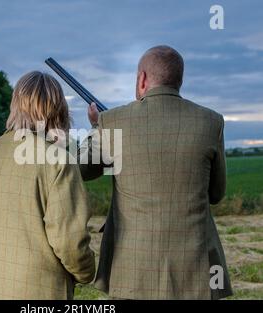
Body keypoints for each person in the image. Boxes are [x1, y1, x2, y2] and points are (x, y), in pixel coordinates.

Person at [80, 45, 232, 299]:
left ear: (142, 79)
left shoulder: (111, 122)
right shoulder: (211, 121)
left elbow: (82, 170)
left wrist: (96, 127)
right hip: (196, 272)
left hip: (132, 271)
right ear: (179, 80)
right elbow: (216, 194)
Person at [0, 71, 95, 299]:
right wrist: (86, 273)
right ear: (58, 109)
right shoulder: (59, 160)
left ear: (15, 105)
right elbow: (70, 241)